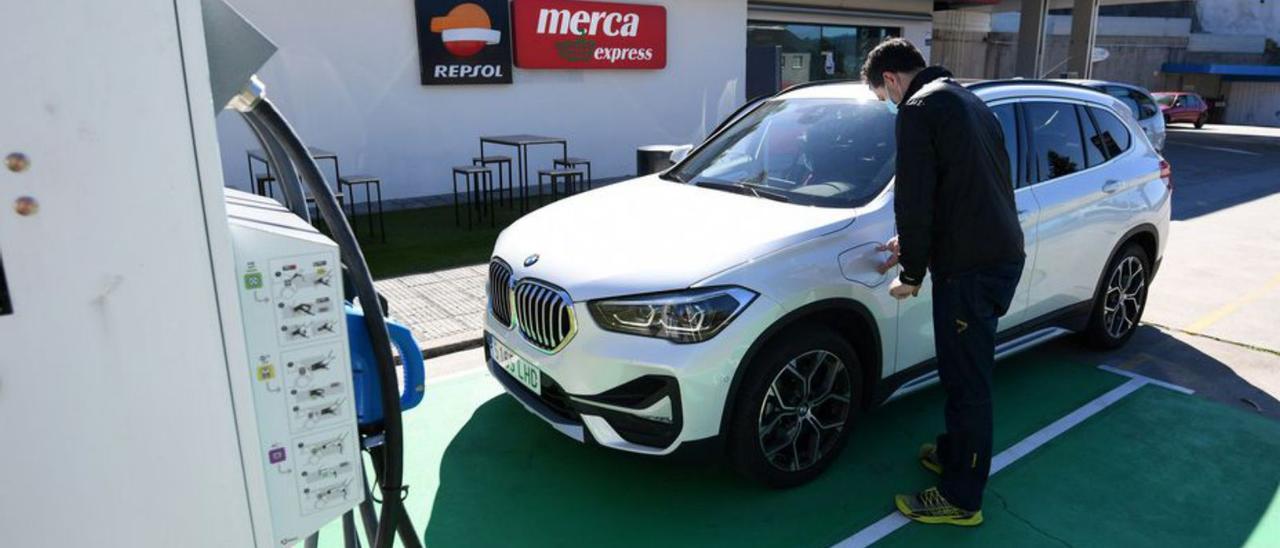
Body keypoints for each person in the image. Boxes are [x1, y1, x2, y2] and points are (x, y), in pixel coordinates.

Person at [861, 38, 1025, 527]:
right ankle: (957, 453)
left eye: (882, 95)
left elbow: (913, 196)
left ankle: (961, 497)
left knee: (966, 382)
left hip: (970, 269)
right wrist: (913, 243)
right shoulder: (968, 99)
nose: (888, 104)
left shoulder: (917, 109)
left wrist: (911, 273)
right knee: (964, 369)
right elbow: (959, 187)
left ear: (891, 78)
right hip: (998, 253)